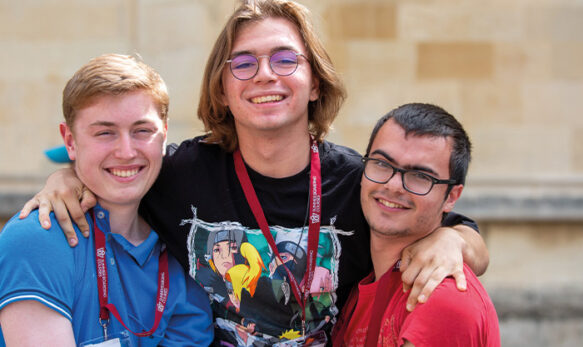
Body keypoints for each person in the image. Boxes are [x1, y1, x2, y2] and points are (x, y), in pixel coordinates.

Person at [18, 1, 489, 345]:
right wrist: (65, 180)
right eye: (243, 63)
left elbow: (454, 230)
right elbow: (121, 165)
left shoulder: (361, 180)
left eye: (285, 59)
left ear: (314, 82)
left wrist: (454, 240)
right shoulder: (182, 171)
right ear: (222, 90)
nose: (264, 74)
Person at [0, 54, 213, 346]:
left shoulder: (182, 255)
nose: (126, 151)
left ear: (163, 137)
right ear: (70, 142)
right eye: (105, 132)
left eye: (142, 131)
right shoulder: (38, 238)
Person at [331, 103, 500, 347]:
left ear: (451, 197)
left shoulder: (441, 300)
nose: (393, 185)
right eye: (381, 164)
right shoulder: (365, 286)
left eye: (421, 176)